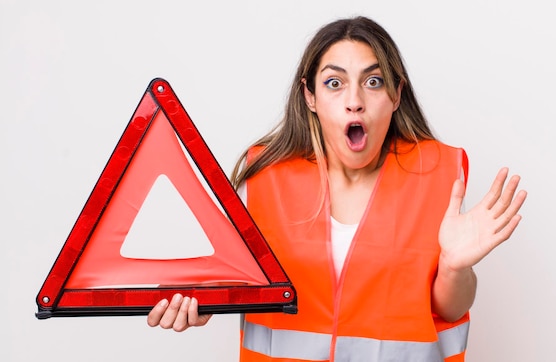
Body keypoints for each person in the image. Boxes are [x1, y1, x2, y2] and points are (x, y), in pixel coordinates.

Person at [147, 16, 527, 362]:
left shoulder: (439, 175)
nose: (354, 102)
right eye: (334, 83)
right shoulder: (263, 177)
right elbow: (231, 282)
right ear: (310, 96)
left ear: (396, 95)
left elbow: (448, 309)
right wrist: (200, 304)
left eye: (373, 82)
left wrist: (454, 266)